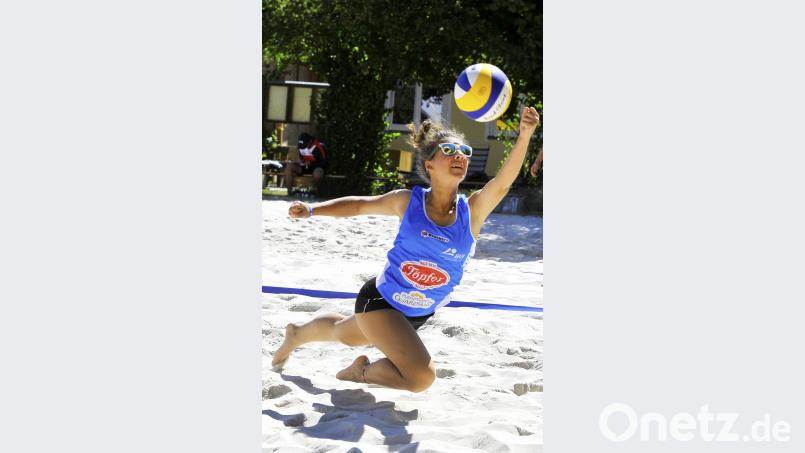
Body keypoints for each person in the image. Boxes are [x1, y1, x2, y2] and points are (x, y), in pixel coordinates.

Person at [272, 106, 540, 392]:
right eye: (449, 150)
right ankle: (361, 372)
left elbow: (502, 184)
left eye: (464, 151)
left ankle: (297, 334)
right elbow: (360, 205)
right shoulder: (408, 201)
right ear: (429, 165)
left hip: (417, 313)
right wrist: (313, 210)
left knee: (345, 333)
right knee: (421, 378)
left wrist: (524, 135)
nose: (459, 155)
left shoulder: (471, 212)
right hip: (381, 300)